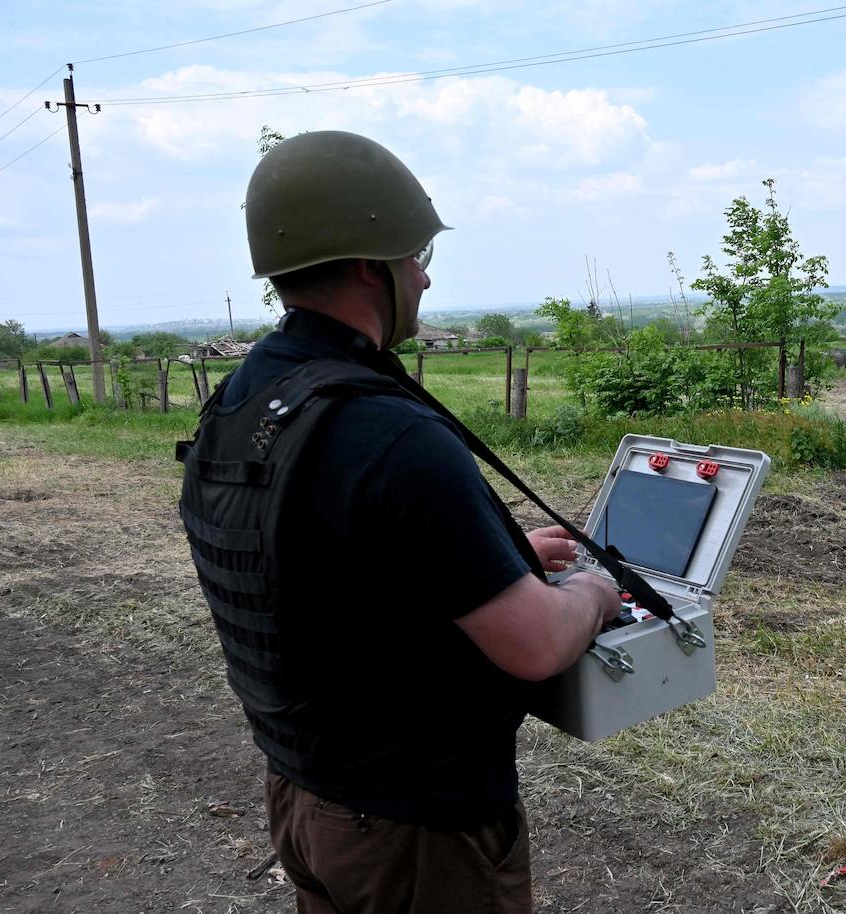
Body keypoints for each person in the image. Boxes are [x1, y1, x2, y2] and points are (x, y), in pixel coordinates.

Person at [177, 130, 622, 914]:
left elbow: (325, 563)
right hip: (412, 830)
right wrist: (593, 594)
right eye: (412, 255)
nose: (421, 275)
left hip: (304, 796)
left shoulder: (250, 396)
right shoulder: (388, 435)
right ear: (365, 265)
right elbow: (537, 645)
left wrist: (499, 555)